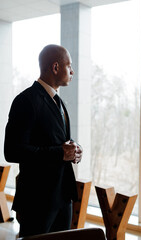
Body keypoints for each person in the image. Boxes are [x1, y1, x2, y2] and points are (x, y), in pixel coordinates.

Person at [4, 44, 83, 237]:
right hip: (37, 200)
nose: (72, 71)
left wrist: (75, 148)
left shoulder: (59, 101)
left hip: (63, 197)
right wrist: (60, 153)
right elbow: (12, 150)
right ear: (56, 67)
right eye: (69, 65)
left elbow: (56, 138)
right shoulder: (25, 100)